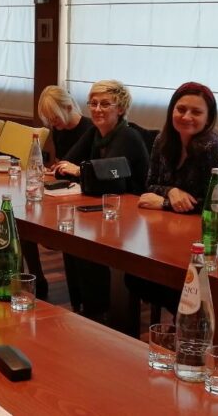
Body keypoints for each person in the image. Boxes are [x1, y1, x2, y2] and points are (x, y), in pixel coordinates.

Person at [50, 80, 150, 322]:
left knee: (84, 242)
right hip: (108, 208)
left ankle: (98, 311)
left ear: (121, 109)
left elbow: (108, 178)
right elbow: (66, 164)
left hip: (135, 217)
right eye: (93, 103)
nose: (97, 109)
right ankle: (84, 306)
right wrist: (75, 169)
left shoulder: (128, 135)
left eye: (105, 104)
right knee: (71, 236)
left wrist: (79, 170)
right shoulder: (95, 133)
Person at [138, 82, 218, 216]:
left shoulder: (215, 150)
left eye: (196, 112)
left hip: (214, 224)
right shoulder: (161, 140)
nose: (186, 117)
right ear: (171, 111)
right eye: (181, 109)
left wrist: (165, 203)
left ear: (208, 119)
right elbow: (150, 186)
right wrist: (171, 191)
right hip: (172, 220)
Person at [37, 85, 93, 163]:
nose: (52, 124)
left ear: (69, 108)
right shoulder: (58, 128)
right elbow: (59, 160)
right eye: (49, 119)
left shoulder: (90, 128)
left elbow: (93, 166)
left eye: (56, 118)